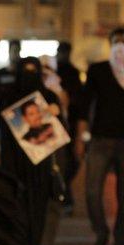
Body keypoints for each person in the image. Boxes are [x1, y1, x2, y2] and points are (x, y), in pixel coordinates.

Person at [0, 55, 62, 245]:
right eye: (26, 71)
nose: (29, 76)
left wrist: (56, 114)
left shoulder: (49, 97)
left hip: (40, 166)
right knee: (14, 211)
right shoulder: (7, 95)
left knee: (37, 211)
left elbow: (62, 133)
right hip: (13, 166)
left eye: (34, 72)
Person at [76, 27, 124, 245]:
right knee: (92, 192)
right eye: (117, 41)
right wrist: (81, 137)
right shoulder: (99, 70)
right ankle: (102, 233)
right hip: (100, 140)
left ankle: (117, 244)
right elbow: (85, 106)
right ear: (111, 44)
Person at [56, 41, 83, 211]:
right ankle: (62, 194)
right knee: (63, 161)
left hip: (70, 124)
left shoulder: (72, 73)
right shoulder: (54, 72)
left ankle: (64, 193)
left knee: (70, 162)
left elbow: (79, 101)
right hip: (57, 124)